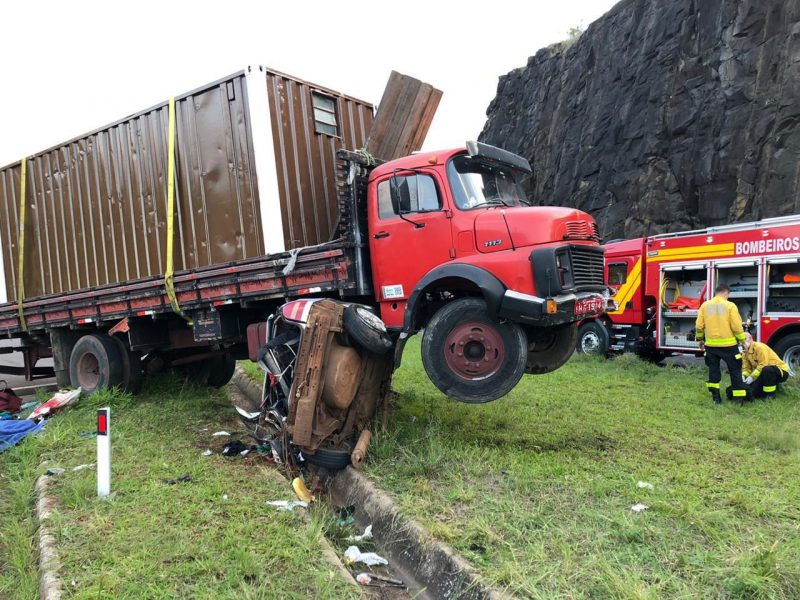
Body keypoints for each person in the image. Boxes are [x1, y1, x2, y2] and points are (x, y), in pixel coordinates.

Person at [695, 283, 747, 404]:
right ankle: (738, 399)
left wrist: (700, 340)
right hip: (729, 346)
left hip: (711, 346)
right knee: (735, 371)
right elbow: (736, 326)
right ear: (726, 293)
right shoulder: (730, 306)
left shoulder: (705, 305)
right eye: (728, 294)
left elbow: (699, 326)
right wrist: (743, 341)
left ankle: (716, 398)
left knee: (713, 370)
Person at [739, 332, 790, 400]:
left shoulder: (759, 347)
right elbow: (746, 368)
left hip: (781, 371)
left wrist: (752, 377)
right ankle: (763, 393)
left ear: (750, 338)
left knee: (767, 369)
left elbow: (763, 364)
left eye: (744, 340)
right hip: (764, 372)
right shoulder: (745, 352)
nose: (742, 343)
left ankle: (770, 395)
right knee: (752, 392)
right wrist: (744, 376)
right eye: (741, 342)